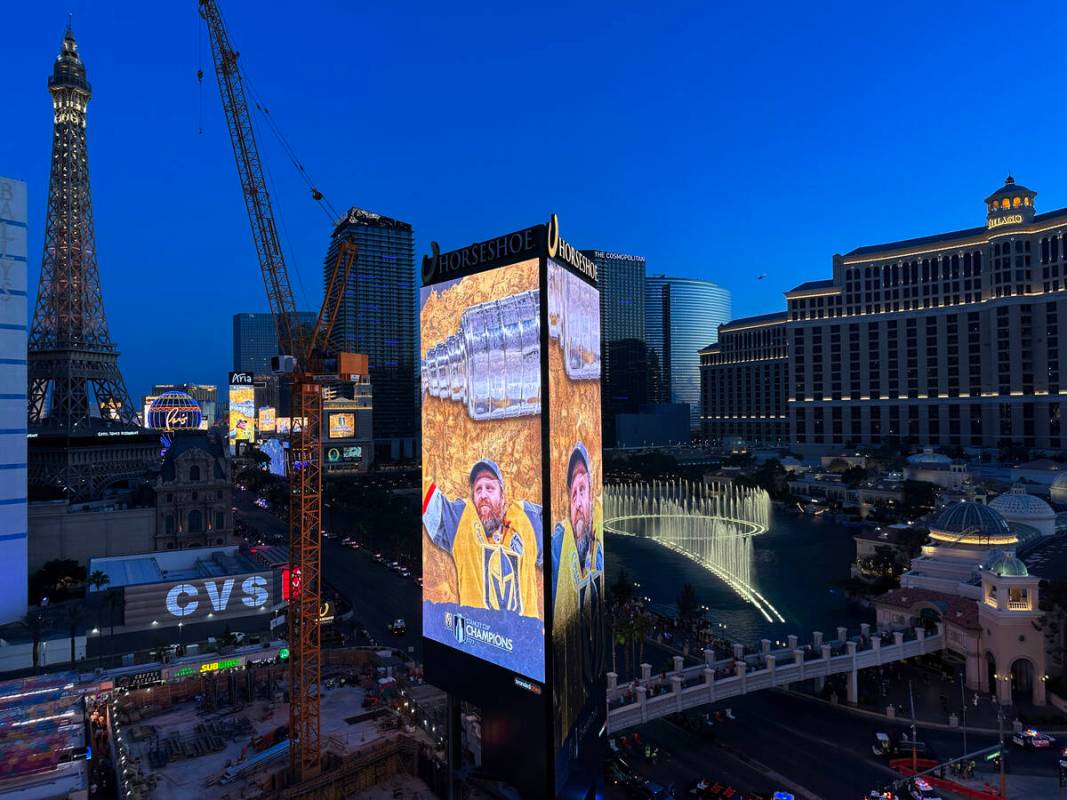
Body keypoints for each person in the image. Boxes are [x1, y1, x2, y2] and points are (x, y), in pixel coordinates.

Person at [422, 459, 542, 618]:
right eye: (478, 489)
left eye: (490, 488)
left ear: (502, 496)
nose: (483, 494)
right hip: (480, 638)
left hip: (525, 639)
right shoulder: (462, 522)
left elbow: (558, 552)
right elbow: (428, 500)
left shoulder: (527, 521)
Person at [551, 442, 605, 711]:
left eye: (583, 491)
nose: (578, 502)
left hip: (591, 687)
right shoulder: (557, 548)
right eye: (573, 494)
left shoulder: (597, 547)